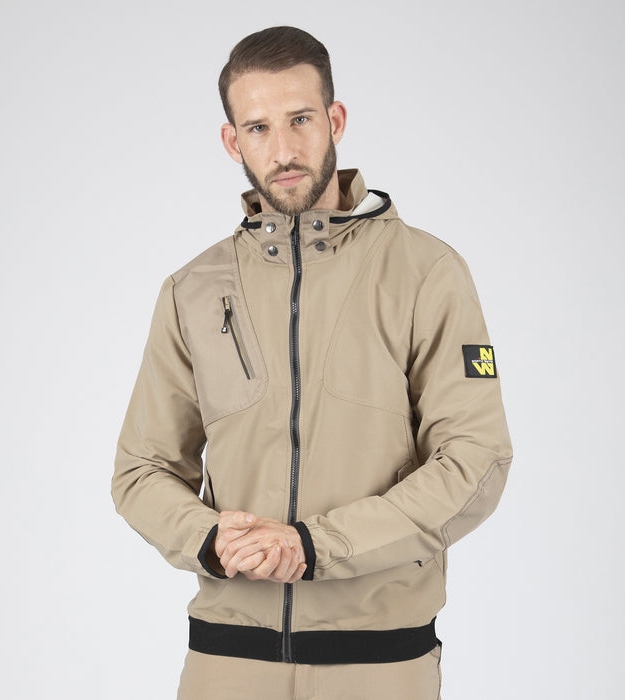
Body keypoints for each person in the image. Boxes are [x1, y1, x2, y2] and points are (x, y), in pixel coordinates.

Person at [112, 25, 512, 700]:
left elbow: (476, 460)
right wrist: (210, 537)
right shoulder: (193, 290)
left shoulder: (426, 272)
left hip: (379, 662)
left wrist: (317, 544)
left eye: (300, 119)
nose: (284, 150)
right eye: (259, 128)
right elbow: (140, 470)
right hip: (226, 660)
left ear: (335, 120)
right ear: (233, 142)